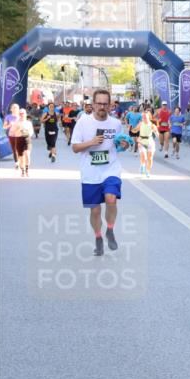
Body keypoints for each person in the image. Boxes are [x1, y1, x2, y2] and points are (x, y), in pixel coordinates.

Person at [71, 89, 125, 257]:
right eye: (99, 103)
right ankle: (98, 238)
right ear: (93, 105)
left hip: (111, 168)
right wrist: (91, 142)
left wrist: (125, 145)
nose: (102, 107)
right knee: (94, 211)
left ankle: (109, 230)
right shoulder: (83, 123)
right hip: (90, 172)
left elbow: (122, 144)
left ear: (110, 106)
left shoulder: (116, 124)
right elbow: (74, 147)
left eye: (105, 104)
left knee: (111, 198)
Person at [135, 108, 159, 177]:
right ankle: (142, 165)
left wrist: (156, 133)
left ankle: (148, 171)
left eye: (145, 117)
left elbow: (157, 133)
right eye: (143, 117)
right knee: (144, 156)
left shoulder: (152, 125)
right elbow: (135, 130)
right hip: (142, 141)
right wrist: (137, 138)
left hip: (150, 141)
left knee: (150, 158)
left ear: (149, 117)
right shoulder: (140, 124)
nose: (144, 118)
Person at [11, 107, 34, 177]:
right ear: (18, 114)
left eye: (23, 113)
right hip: (19, 139)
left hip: (27, 139)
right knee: (21, 157)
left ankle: (27, 169)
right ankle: (22, 170)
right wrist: (18, 130)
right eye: (20, 113)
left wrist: (28, 133)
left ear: (25, 114)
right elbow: (12, 131)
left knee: (27, 154)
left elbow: (31, 131)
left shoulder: (28, 123)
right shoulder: (16, 123)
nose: (22, 115)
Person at [3, 103, 21, 172]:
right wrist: (9, 125)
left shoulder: (21, 117)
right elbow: (4, 127)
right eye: (13, 107)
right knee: (14, 150)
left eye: (16, 108)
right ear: (11, 109)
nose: (14, 109)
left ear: (18, 109)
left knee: (19, 150)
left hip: (20, 135)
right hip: (11, 135)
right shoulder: (8, 117)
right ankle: (16, 163)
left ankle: (20, 161)